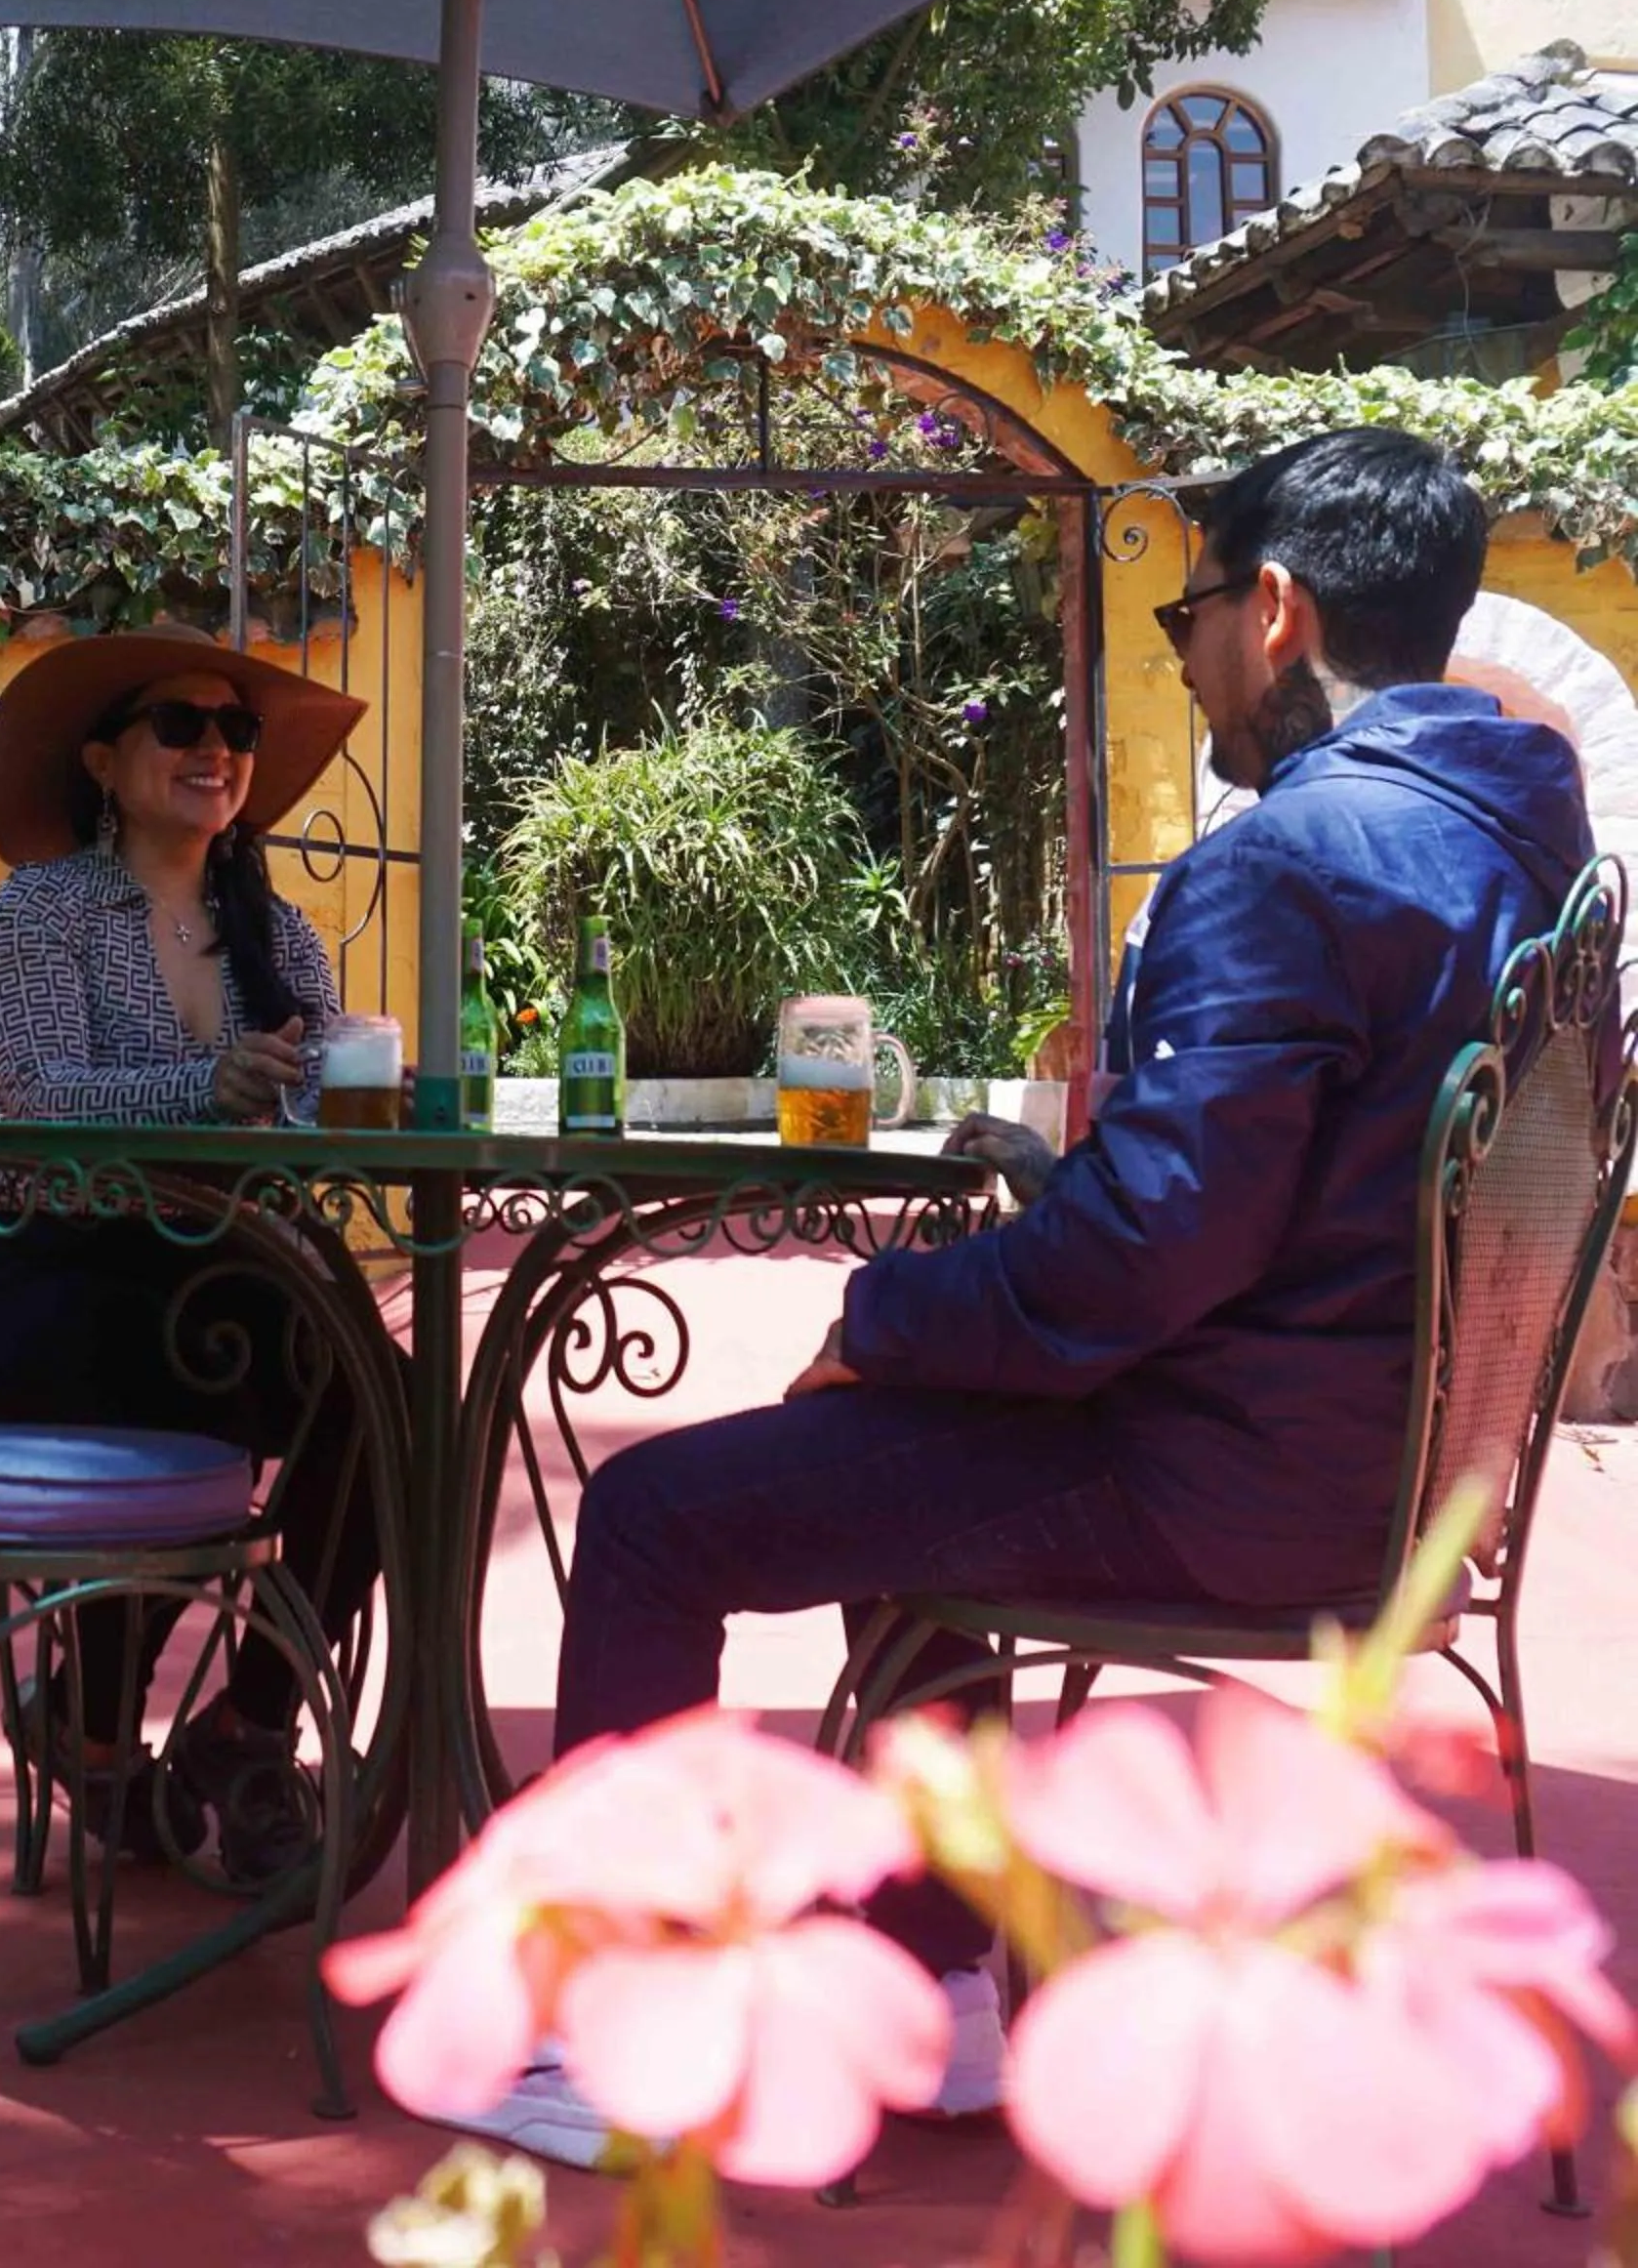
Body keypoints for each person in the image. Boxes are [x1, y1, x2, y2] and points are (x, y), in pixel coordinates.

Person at [429, 426, 1594, 2165]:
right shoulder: (1532, 852)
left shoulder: (1284, 862)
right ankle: (946, 1987)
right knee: (908, 1458)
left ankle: (621, 2036)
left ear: (1274, 609)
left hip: (1235, 1481)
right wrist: (1032, 1237)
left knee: (665, 1513)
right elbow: (1298, 1200)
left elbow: (1155, 1256)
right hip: (1404, 1486)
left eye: (1186, 615)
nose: (1184, 660)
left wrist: (883, 1321)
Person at [0, 626, 389, 1882]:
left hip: (230, 1271)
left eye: (236, 731)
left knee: (380, 1407)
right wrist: (207, 1086)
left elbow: (316, 1101)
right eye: (181, 725)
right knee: (177, 1392)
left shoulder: (278, 930)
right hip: (61, 1271)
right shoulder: (41, 913)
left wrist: (325, 1097)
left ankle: (248, 1723)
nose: (215, 749)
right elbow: (35, 1096)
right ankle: (93, 1733)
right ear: (103, 760)